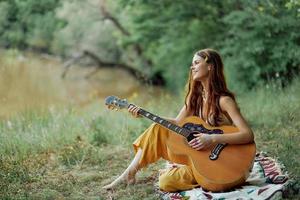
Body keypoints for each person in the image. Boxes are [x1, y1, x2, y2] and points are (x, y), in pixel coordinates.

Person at [102, 48, 255, 192]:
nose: (192, 67)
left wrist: (212, 138)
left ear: (210, 67)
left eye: (196, 63)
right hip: (202, 159)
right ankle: (129, 174)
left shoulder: (224, 100)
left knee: (166, 181)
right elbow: (176, 123)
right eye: (192, 64)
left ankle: (195, 173)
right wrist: (142, 112)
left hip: (225, 163)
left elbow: (247, 134)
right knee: (159, 137)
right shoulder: (195, 98)